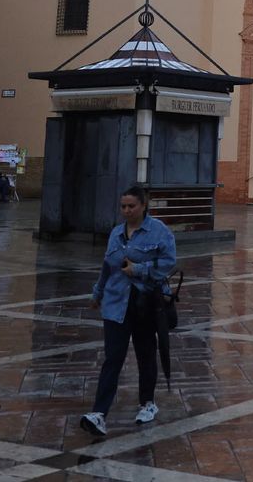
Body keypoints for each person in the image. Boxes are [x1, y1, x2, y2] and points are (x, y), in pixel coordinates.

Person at [82, 185, 176, 436]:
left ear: (144, 205)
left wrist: (139, 270)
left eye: (131, 206)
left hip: (144, 304)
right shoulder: (115, 233)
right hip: (115, 304)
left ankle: (147, 402)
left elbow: (168, 264)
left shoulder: (159, 232)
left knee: (145, 354)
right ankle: (99, 413)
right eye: (123, 206)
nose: (126, 211)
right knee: (113, 357)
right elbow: (107, 267)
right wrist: (97, 293)